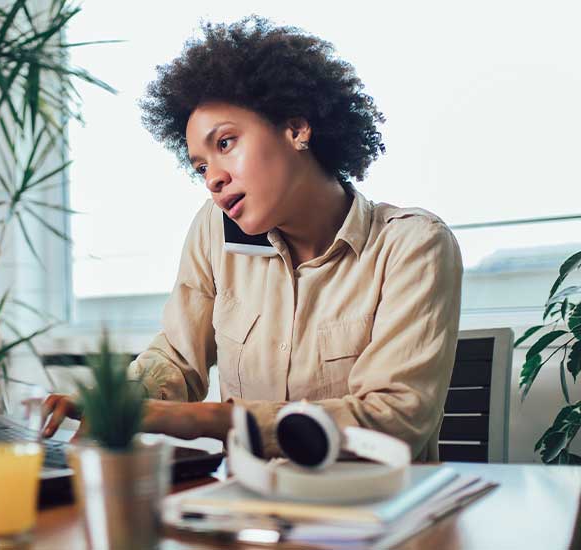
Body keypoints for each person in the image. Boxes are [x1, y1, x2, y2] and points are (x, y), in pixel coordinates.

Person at [43, 16, 462, 461]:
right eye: (201, 167)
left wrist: (205, 419)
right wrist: (116, 400)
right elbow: (177, 357)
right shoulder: (215, 229)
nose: (213, 179)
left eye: (225, 143)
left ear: (296, 129)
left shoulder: (413, 246)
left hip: (376, 500)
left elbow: (392, 421)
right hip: (247, 497)